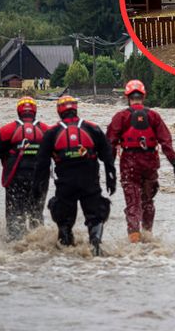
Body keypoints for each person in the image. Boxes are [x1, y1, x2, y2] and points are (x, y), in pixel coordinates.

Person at [34, 95, 116, 256]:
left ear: (59, 111)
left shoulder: (52, 133)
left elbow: (41, 164)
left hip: (66, 185)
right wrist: (111, 178)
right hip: (90, 182)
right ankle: (95, 246)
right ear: (75, 109)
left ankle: (66, 255)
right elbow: (108, 156)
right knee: (96, 216)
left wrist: (37, 188)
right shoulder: (93, 129)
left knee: (63, 221)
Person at [107, 80, 175, 243]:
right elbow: (166, 141)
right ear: (143, 96)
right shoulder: (154, 116)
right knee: (148, 202)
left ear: (128, 97)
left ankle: (134, 239)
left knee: (133, 202)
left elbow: (110, 143)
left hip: (129, 163)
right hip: (150, 163)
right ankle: (148, 236)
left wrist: (109, 169)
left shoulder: (121, 117)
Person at [0, 96, 50, 239]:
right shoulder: (47, 131)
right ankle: (40, 244)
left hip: (15, 180)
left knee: (15, 216)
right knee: (36, 214)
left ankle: (15, 246)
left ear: (19, 111)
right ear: (35, 111)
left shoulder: (7, 131)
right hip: (40, 181)